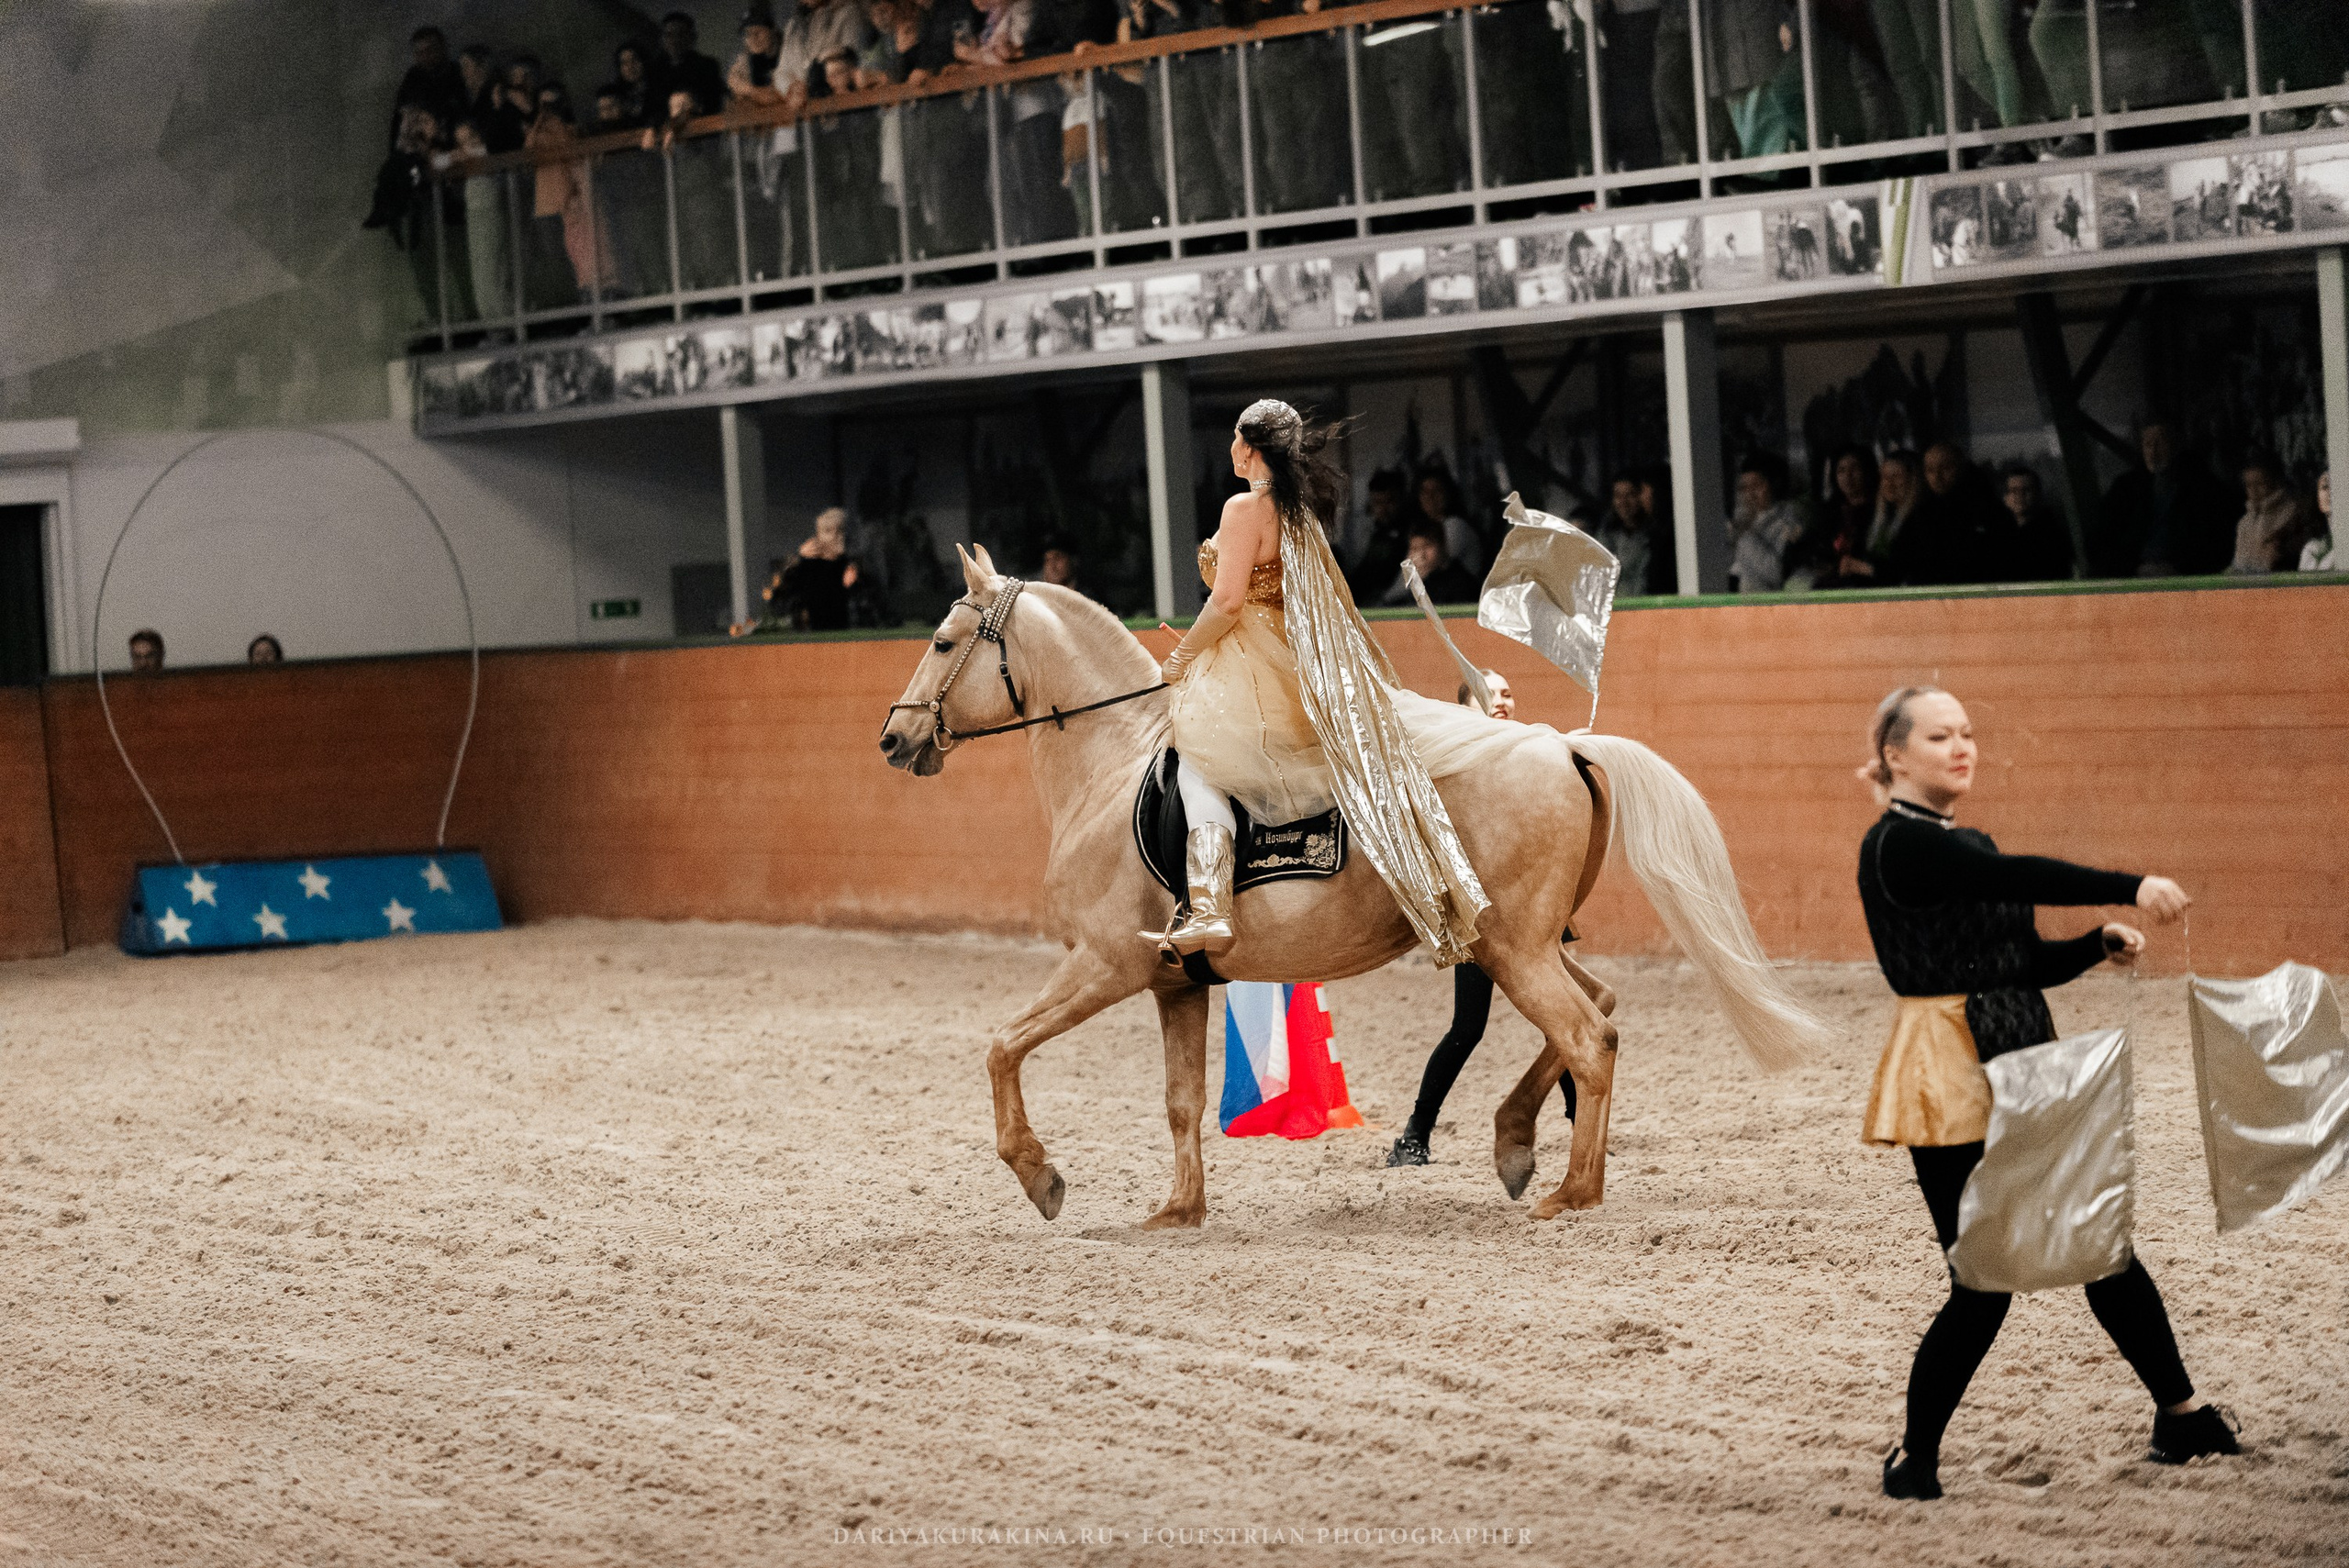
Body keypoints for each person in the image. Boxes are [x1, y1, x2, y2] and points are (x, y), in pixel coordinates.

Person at [1855, 685, 2240, 1502]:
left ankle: (2182, 1415)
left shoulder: (1965, 843)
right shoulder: (1898, 844)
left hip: (2020, 1052)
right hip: (1949, 1072)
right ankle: (1915, 1457)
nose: (1962, 747)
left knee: (2100, 1242)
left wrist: (2092, 945)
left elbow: (2020, 960)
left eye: (1967, 733)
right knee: (1981, 1279)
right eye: (1939, 736)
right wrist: (2131, 883)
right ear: (1894, 754)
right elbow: (2016, 875)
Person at [1150, 400, 1508, 964]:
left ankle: (1211, 905)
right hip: (1290, 665)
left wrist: (1181, 656)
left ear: (1250, 446)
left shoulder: (1244, 508)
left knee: (1197, 761)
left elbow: (1227, 601)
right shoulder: (1299, 514)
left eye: (1236, 438)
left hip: (1252, 673)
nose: (1231, 448)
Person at [1385, 670, 1580, 1167]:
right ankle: (1415, 1134)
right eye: (1487, 694)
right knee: (1468, 1026)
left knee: (1559, 1018)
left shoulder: (1528, 757)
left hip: (1528, 910)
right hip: (1480, 915)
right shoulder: (1455, 763)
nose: (1501, 701)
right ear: (1463, 708)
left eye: (1508, 693)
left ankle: (1583, 1126)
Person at [2089, 421, 2234, 578]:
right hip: (2132, 575)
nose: (2153, 452)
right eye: (2148, 444)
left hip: (2183, 576)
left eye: (2160, 442)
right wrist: (2130, 568)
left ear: (2175, 444)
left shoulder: (2203, 487)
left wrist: (2180, 568)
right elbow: (2101, 538)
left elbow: (2214, 543)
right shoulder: (2126, 488)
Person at [1887, 441, 1990, 587]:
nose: (1937, 476)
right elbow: (1898, 563)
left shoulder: (1985, 511)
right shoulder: (1918, 515)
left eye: (1945, 468)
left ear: (1961, 468)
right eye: (1930, 470)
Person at [774, 506, 869, 629]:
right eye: (828, 531)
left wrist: (854, 582)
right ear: (818, 536)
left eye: (841, 530)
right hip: (813, 636)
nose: (836, 536)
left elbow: (870, 610)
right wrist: (797, 561)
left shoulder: (852, 566)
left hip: (850, 636)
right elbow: (782, 605)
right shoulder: (805, 567)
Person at [1979, 463, 2076, 583]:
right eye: (2014, 491)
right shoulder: (1995, 535)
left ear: (2038, 494)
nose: (2020, 495)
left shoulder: (2053, 535)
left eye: (2026, 490)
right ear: (2005, 497)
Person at [1728, 450, 1808, 593]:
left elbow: (1776, 573)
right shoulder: (1741, 521)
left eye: (1757, 486)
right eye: (1745, 488)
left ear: (1775, 484)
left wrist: (1744, 535)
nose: (1750, 494)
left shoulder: (1789, 520)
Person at [2226, 452, 2304, 575]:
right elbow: (2239, 563)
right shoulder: (2245, 522)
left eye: (2260, 484)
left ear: (2275, 482)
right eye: (2249, 486)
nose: (2254, 491)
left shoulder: (2291, 513)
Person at [1345, 470, 1414, 604]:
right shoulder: (1367, 532)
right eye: (1377, 502)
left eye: (1389, 501)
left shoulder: (1412, 532)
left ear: (1401, 500)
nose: (1383, 508)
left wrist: (1384, 600)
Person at [651, 11, 730, 117]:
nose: (675, 40)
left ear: (692, 37)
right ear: (662, 39)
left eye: (680, 34)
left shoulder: (706, 66)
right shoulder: (655, 70)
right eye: (669, 35)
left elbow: (713, 103)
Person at [1416, 468, 1482, 577]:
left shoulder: (1455, 525)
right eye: (1425, 492)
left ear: (1448, 494)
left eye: (1437, 490)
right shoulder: (1425, 530)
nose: (1430, 496)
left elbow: (1433, 567)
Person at [2297, 471, 2336, 573]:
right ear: (2318, 500)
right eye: (2325, 486)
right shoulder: (2312, 549)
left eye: (2337, 485)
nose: (2331, 491)